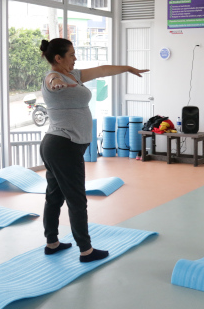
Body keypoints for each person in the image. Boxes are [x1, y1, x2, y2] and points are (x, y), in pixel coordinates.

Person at [39, 38, 148, 262]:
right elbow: (52, 80)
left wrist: (127, 68)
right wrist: (57, 83)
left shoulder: (74, 75)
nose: (75, 58)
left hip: (61, 146)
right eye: (71, 55)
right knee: (77, 199)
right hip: (63, 146)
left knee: (54, 195)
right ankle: (86, 250)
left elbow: (101, 70)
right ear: (58, 58)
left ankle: (52, 243)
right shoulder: (54, 77)